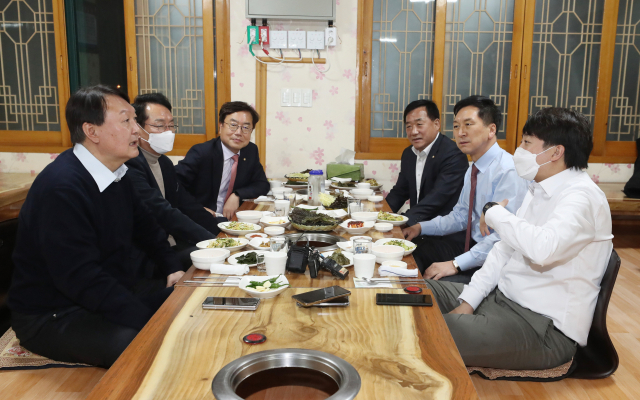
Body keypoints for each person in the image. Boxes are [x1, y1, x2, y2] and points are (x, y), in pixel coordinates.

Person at [8, 85, 184, 368]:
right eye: (126, 121)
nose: (137, 130)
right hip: (55, 313)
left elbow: (147, 228)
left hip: (110, 291)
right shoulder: (61, 187)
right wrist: (146, 321)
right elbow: (80, 277)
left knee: (186, 302)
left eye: (135, 121)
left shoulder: (118, 172)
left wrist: (172, 269)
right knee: (144, 346)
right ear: (92, 131)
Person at [426, 107, 613, 370]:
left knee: (428, 331)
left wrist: (493, 212)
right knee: (415, 292)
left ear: (555, 152)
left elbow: (543, 249)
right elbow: (502, 251)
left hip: (542, 328)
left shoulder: (582, 197)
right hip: (501, 299)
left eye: (527, 143)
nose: (519, 150)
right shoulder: (538, 188)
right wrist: (469, 302)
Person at [403, 96, 527, 283]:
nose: (460, 133)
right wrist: (420, 228)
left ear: (491, 129)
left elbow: (503, 239)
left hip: (496, 260)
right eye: (456, 126)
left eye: (468, 125)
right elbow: (461, 216)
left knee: (431, 282)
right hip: (472, 247)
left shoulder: (508, 170)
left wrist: (455, 264)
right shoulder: (473, 168)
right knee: (413, 253)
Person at [126, 93, 225, 267]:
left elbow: (187, 204)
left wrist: (223, 230)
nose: (168, 132)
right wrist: (215, 242)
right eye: (159, 126)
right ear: (137, 128)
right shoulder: (131, 165)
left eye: (171, 125)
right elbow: (164, 212)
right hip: (150, 254)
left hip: (174, 243)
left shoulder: (163, 162)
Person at [175, 101, 270, 220]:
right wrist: (197, 209)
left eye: (246, 127)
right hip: (203, 218)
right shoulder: (202, 152)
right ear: (221, 126)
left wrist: (237, 195)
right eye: (233, 125)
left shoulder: (250, 151)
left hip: (233, 218)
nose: (239, 132)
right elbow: (174, 184)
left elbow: (262, 184)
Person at [385, 99, 469, 226]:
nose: (413, 131)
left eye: (419, 124)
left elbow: (436, 198)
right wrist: (380, 215)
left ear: (436, 124)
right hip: (417, 226)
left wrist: (403, 221)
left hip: (444, 232)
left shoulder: (453, 154)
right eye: (408, 126)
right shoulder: (409, 154)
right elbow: (400, 191)